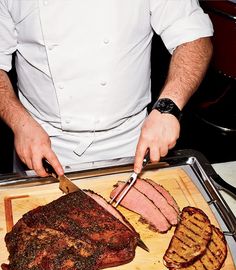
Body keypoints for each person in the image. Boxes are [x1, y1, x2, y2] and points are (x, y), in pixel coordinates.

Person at [0, 0, 213, 177]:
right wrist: (20, 123)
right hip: (41, 144)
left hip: (135, 143)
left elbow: (194, 37)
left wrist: (168, 108)